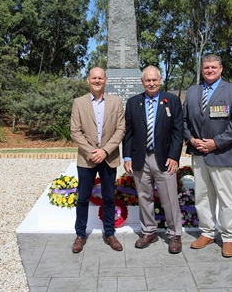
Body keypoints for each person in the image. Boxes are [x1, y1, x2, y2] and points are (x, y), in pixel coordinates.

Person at [183, 54, 232, 258]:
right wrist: (191, 139)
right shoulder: (193, 91)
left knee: (225, 197)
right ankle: (207, 232)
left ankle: (228, 237)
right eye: (206, 67)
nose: (209, 70)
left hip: (222, 153)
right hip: (198, 152)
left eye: (213, 67)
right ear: (202, 70)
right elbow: (183, 120)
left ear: (221, 69)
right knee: (202, 196)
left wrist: (215, 143)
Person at [123, 66, 184, 254]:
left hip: (164, 159)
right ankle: (149, 232)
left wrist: (174, 156)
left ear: (160, 80)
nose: (151, 83)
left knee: (169, 199)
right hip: (140, 158)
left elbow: (178, 131)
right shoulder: (134, 103)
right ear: (142, 82)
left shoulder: (171, 101)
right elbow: (129, 132)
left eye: (154, 80)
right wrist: (127, 156)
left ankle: (174, 235)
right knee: (144, 197)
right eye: (148, 80)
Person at [70, 67, 125, 253]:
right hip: (87, 158)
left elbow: (120, 129)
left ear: (105, 80)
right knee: (83, 198)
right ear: (88, 80)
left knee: (109, 197)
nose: (97, 81)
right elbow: (75, 131)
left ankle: (109, 233)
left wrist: (105, 151)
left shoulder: (116, 102)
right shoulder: (78, 103)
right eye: (94, 78)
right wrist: (92, 151)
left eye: (100, 78)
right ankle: (80, 234)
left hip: (109, 157)